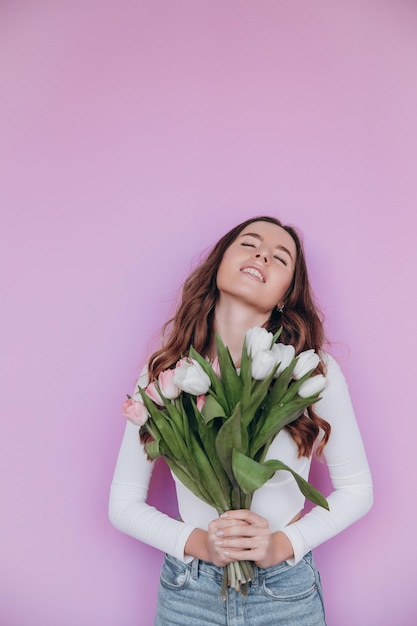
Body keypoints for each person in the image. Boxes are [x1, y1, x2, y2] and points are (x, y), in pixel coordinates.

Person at [109, 216, 373, 625]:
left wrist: (283, 544)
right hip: (187, 593)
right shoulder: (165, 373)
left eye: (280, 257)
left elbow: (358, 489)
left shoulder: (308, 371)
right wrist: (201, 544)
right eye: (249, 243)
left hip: (284, 591)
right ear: (218, 265)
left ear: (286, 294)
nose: (262, 254)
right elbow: (123, 503)